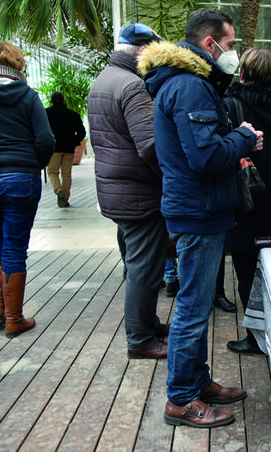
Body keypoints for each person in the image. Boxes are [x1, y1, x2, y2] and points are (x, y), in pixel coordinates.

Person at [139, 7, 262, 428]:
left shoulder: (188, 83)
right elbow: (205, 155)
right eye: (230, 45)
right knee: (192, 308)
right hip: (198, 211)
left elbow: (204, 147)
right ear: (209, 44)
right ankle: (180, 399)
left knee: (195, 303)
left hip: (200, 209)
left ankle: (196, 382)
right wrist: (243, 139)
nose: (233, 53)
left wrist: (236, 140)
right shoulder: (190, 86)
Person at [88, 23, 171, 360]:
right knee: (144, 268)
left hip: (117, 189)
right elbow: (151, 147)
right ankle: (140, 338)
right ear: (140, 50)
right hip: (138, 192)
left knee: (137, 261)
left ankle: (147, 323)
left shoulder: (104, 79)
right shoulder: (133, 86)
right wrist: (169, 180)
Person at [224, 47, 271, 356]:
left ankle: (256, 337)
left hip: (245, 197)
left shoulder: (232, 103)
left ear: (242, 73)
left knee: (245, 265)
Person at [0, 40, 55, 337]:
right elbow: (46, 140)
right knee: (15, 245)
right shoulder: (27, 95)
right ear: (15, 64)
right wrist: (32, 164)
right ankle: (14, 318)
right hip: (20, 178)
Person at [45, 92, 86, 208]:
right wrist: (74, 141)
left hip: (54, 148)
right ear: (64, 100)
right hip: (69, 149)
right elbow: (82, 132)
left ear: (51, 101)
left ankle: (58, 191)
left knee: (52, 172)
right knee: (66, 174)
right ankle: (65, 199)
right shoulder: (73, 114)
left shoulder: (46, 113)